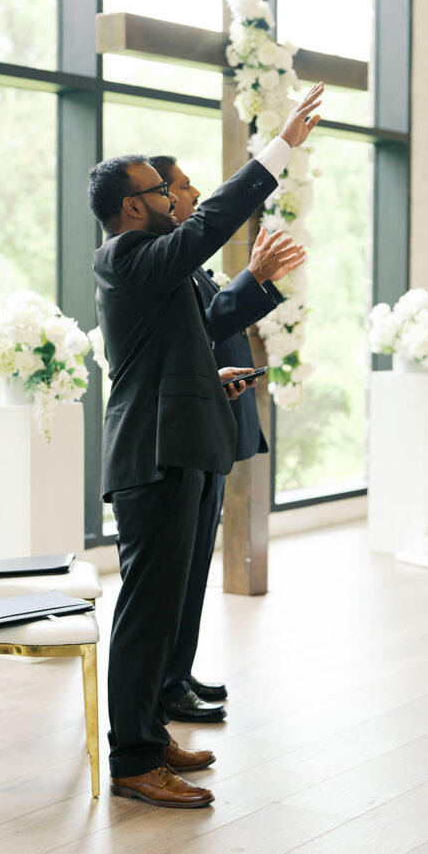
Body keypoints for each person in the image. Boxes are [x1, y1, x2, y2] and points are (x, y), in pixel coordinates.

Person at [87, 82, 322, 809]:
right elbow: (212, 220)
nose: (172, 198)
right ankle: (132, 762)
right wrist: (279, 149)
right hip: (152, 455)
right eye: (161, 190)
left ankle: (150, 737)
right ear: (133, 208)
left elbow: (189, 335)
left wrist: (212, 368)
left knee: (165, 610)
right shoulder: (126, 256)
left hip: (181, 443)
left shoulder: (153, 263)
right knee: (146, 613)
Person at [148, 153, 306, 723]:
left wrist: (253, 281)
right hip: (184, 435)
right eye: (183, 186)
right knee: (177, 574)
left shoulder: (187, 264)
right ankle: (165, 684)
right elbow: (206, 326)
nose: (192, 194)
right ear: (158, 199)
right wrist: (252, 279)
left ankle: (177, 671)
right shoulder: (160, 264)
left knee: (196, 571)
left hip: (212, 424)